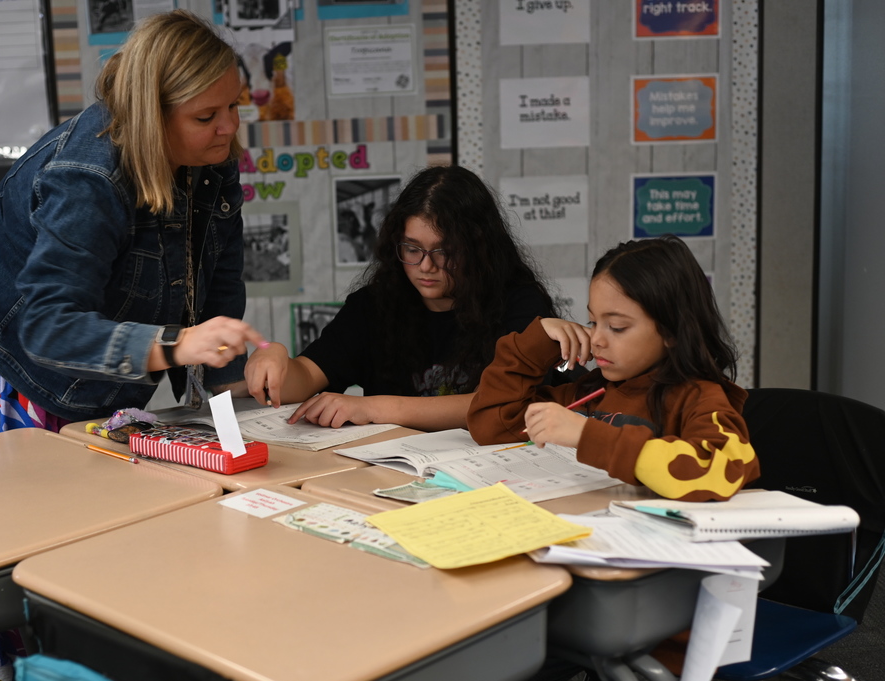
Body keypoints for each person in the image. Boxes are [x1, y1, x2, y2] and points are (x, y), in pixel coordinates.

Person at [0, 10, 264, 677]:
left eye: (234, 107)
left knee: (97, 549)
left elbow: (217, 290)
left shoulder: (211, 158)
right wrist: (178, 344)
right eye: (207, 116)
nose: (228, 128)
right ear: (152, 112)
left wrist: (236, 402)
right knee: (13, 568)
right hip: (4, 360)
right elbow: (47, 325)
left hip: (100, 363)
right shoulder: (90, 173)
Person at [244, 164, 565, 432]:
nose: (426, 266)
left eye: (445, 252)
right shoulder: (373, 305)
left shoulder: (519, 304)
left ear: (478, 249)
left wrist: (375, 407)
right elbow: (308, 376)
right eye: (412, 249)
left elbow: (501, 402)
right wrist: (275, 359)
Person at [467, 234, 760, 502]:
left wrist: (587, 435)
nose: (597, 339)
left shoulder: (701, 397)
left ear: (672, 331)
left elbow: (721, 470)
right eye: (593, 322)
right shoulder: (592, 392)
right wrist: (537, 341)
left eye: (617, 327)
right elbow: (493, 426)